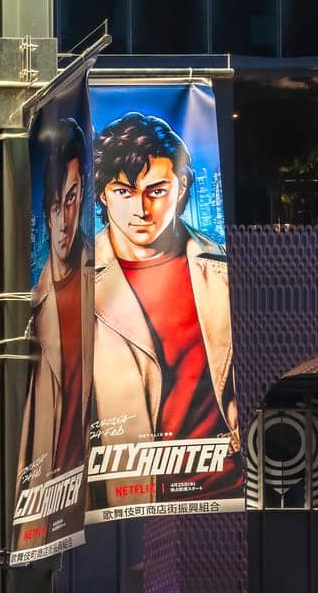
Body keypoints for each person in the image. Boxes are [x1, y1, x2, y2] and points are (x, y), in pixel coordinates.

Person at [90, 111, 241, 506]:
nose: (141, 209)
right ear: (102, 194)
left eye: (156, 190)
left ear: (182, 186)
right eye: (123, 192)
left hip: (222, 490)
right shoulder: (72, 283)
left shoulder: (222, 270)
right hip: (124, 498)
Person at [18, 117, 90, 485]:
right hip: (40, 491)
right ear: (45, 212)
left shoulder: (110, 280)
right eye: (55, 206)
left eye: (73, 198)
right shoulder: (22, 305)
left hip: (99, 486)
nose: (64, 220)